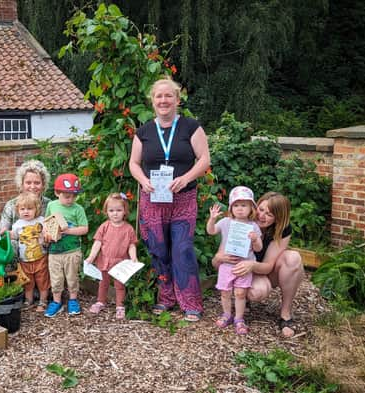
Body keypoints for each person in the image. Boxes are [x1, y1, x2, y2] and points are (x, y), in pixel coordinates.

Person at [128, 78, 210, 321]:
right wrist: (143, 180)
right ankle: (166, 298)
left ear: (177, 99)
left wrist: (186, 178)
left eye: (168, 96)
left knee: (183, 249)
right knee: (158, 249)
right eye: (158, 97)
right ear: (152, 101)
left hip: (182, 199)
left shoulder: (190, 127)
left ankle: (191, 302)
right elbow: (133, 163)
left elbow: (204, 159)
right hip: (153, 200)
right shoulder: (143, 131)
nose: (163, 101)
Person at [212, 192, 304, 337]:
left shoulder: (282, 229)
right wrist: (219, 257)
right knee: (257, 291)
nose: (262, 216)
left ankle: (285, 314)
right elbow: (216, 263)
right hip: (241, 271)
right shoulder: (240, 221)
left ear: (278, 218)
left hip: (263, 270)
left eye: (269, 214)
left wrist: (252, 265)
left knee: (293, 258)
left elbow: (268, 266)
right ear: (254, 207)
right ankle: (241, 302)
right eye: (261, 210)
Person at [207, 186, 262, 335]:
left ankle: (239, 318)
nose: (240, 209)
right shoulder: (226, 222)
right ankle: (226, 314)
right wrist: (212, 219)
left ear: (251, 208)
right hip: (226, 265)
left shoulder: (253, 226)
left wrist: (255, 239)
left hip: (243, 266)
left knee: (240, 293)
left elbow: (258, 248)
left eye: (244, 205)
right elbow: (211, 231)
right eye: (236, 205)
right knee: (225, 292)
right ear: (231, 208)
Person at [85, 193, 138, 320]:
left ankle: (120, 305)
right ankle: (100, 301)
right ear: (106, 211)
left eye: (119, 210)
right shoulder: (104, 226)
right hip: (105, 260)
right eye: (111, 210)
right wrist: (91, 257)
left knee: (119, 285)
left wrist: (134, 257)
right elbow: (97, 242)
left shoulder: (128, 229)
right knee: (103, 282)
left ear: (125, 211)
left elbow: (131, 245)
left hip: (120, 262)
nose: (115, 213)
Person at [43, 173, 89, 318]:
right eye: (67, 196)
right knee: (56, 278)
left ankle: (73, 300)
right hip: (55, 251)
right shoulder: (51, 205)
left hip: (72, 250)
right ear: (57, 193)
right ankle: (56, 302)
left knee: (72, 277)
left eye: (74, 196)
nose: (71, 200)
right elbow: (47, 222)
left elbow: (84, 228)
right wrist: (47, 234)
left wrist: (68, 230)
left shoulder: (78, 209)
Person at [9, 192, 50, 312]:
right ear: (18, 210)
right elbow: (13, 236)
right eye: (23, 209)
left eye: (30, 208)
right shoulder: (17, 225)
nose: (26, 211)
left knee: (43, 281)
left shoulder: (42, 221)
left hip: (40, 258)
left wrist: (46, 236)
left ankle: (43, 301)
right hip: (24, 260)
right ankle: (29, 301)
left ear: (36, 209)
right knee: (28, 282)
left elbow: (48, 233)